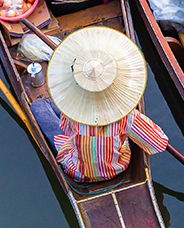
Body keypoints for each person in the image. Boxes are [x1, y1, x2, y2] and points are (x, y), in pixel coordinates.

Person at [35, 26, 168, 184]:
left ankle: (46, 103)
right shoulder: (127, 117)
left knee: (38, 106)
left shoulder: (71, 112)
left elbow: (67, 130)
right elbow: (159, 143)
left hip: (77, 172)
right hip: (118, 167)